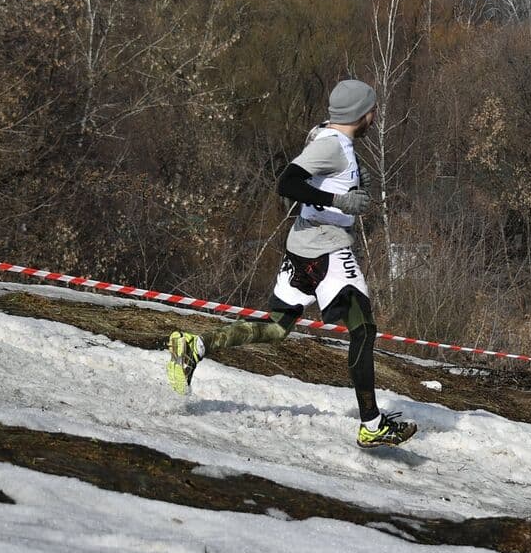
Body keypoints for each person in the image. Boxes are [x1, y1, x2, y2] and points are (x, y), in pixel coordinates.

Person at [166, 78, 416, 448]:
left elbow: (317, 160)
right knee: (363, 330)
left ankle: (195, 346)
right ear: (362, 114)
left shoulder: (332, 138)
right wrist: (338, 200)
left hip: (302, 247)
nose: (376, 116)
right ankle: (372, 424)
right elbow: (287, 183)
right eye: (373, 110)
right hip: (326, 249)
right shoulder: (332, 146)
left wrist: (347, 183)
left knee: (277, 327)